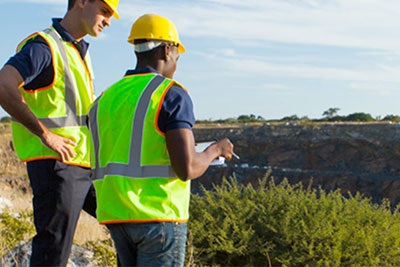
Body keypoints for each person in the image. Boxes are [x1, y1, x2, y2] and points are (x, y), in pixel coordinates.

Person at [88, 13, 234, 266]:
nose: (177, 62)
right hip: (159, 218)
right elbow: (187, 167)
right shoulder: (170, 94)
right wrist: (215, 150)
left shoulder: (105, 98)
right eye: (177, 54)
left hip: (117, 217)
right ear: (167, 50)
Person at [0, 0, 119, 265]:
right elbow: (3, 86)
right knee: (52, 253)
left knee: (125, 222)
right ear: (82, 2)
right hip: (57, 167)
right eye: (105, 11)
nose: (109, 20)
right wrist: (46, 134)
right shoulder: (44, 46)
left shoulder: (78, 51)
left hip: (83, 165)